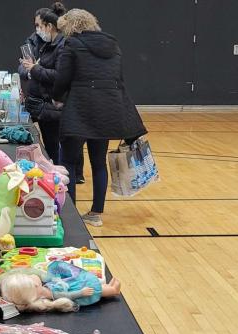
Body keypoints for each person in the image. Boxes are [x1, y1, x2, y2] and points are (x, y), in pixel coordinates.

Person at [53, 9, 147, 227]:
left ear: (70, 26)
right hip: (107, 111)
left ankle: (71, 215)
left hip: (79, 109)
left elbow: (62, 78)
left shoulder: (72, 45)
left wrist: (57, 98)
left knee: (68, 162)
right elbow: (119, 80)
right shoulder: (113, 46)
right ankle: (95, 213)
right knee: (98, 162)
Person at [21, 2, 66, 165]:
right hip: (35, 102)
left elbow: (59, 76)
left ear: (49, 26)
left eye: (39, 26)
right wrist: (29, 69)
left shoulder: (62, 45)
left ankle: (59, 184)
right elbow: (25, 66)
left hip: (50, 106)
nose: (37, 29)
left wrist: (35, 69)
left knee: (53, 147)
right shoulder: (38, 42)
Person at [0, 261, 121, 313]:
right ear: (35, 286)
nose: (33, 276)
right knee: (96, 290)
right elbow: (67, 295)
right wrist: (81, 293)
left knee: (89, 283)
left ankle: (106, 287)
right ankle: (113, 290)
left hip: (71, 285)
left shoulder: (40, 292)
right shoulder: (50, 293)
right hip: (77, 291)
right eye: (31, 277)